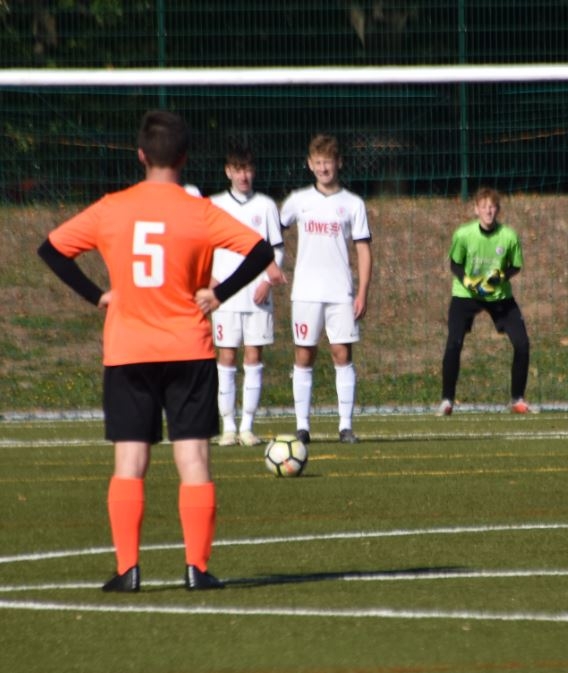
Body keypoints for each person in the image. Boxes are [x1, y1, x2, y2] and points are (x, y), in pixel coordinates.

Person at [36, 110, 283, 592]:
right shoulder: (200, 211)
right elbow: (260, 251)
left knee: (130, 462)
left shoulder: (111, 208)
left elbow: (51, 250)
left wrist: (96, 296)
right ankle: (197, 569)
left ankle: (128, 569)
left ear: (141, 155)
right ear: (185, 158)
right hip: (187, 348)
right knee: (194, 458)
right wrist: (219, 293)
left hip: (128, 349)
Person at [280, 134, 372, 445]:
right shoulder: (298, 200)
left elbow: (363, 250)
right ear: (310, 164)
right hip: (305, 292)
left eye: (328, 162)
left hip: (340, 292)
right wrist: (270, 267)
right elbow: (273, 232)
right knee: (303, 354)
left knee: (341, 353)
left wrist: (362, 292)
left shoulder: (353, 204)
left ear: (339, 163)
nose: (323, 168)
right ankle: (302, 427)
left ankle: (345, 426)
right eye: (318, 163)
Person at [209, 142, 286, 447]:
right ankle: (228, 426)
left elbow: (276, 249)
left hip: (257, 296)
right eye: (238, 170)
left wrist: (267, 281)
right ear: (228, 171)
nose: (244, 176)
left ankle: (247, 426)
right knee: (227, 356)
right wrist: (209, 278)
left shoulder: (265, 206)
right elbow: (204, 246)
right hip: (224, 296)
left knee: (254, 356)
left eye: (248, 170)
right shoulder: (214, 204)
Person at [437, 186, 531, 416]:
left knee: (522, 343)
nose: (488, 211)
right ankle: (447, 400)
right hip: (466, 295)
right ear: (476, 209)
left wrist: (501, 277)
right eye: (484, 207)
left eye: (492, 207)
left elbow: (515, 266)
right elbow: (455, 264)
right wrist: (468, 282)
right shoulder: (463, 234)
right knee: (454, 343)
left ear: (498, 209)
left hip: (499, 297)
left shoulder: (509, 236)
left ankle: (517, 399)